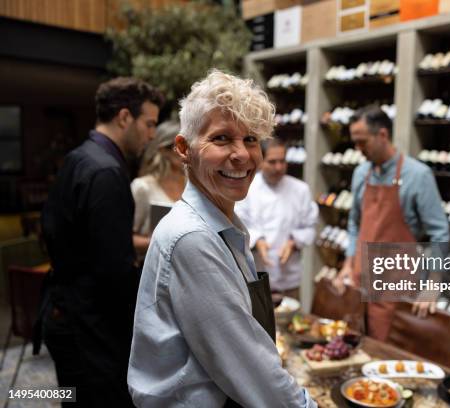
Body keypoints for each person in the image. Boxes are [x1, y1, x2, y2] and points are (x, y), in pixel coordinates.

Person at [128, 70, 316, 407]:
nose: (242, 154)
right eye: (222, 139)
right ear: (184, 149)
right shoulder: (193, 237)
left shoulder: (226, 224)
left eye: (250, 139)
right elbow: (251, 367)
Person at [39, 77, 163, 406]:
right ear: (125, 117)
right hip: (88, 326)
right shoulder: (106, 171)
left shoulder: (81, 156)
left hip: (67, 310)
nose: (152, 135)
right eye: (149, 124)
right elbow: (115, 272)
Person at [333, 105, 450, 340]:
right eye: (354, 142)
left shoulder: (418, 175)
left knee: (387, 354)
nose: (358, 149)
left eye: (362, 142)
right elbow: (355, 223)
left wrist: (433, 285)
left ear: (383, 135)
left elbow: (441, 232)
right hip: (359, 281)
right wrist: (348, 263)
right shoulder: (360, 173)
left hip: (396, 285)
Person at [235, 138, 318, 300]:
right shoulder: (246, 189)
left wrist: (294, 242)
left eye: (282, 161)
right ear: (260, 162)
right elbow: (238, 224)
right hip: (255, 277)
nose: (278, 167)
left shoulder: (300, 190)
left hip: (291, 279)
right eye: (272, 162)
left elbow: (310, 227)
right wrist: (258, 241)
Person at [131, 120, 186, 258]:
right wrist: (161, 242)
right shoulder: (142, 187)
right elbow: (124, 239)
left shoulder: (193, 185)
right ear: (163, 149)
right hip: (152, 267)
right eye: (182, 146)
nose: (188, 152)